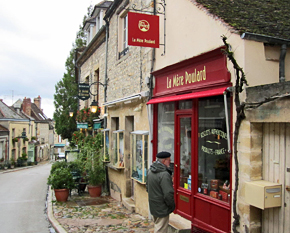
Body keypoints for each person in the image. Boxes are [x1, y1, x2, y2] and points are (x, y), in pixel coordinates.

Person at [146, 151, 175, 233]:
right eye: (169, 160)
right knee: (160, 229)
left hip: (153, 204)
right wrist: (171, 206)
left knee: (157, 225)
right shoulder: (164, 174)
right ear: (164, 161)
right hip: (162, 206)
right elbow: (168, 193)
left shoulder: (150, 171)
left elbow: (147, 187)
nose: (170, 162)